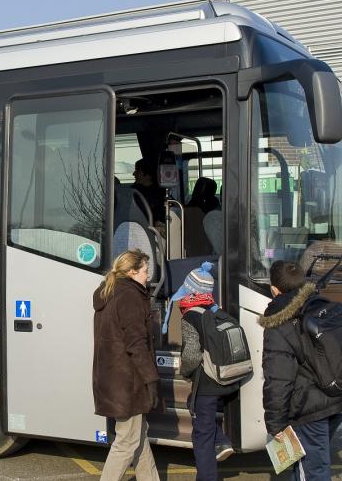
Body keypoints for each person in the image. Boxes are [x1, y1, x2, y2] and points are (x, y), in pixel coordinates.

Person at [259, 261, 342, 481]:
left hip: (310, 409)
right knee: (306, 464)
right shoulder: (328, 307)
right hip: (340, 399)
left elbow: (279, 379)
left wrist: (275, 423)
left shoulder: (280, 322)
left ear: (274, 289)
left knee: (312, 469)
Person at [93, 249, 161, 481]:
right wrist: (151, 379)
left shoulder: (111, 292)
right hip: (127, 381)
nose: (148, 277)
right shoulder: (130, 297)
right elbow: (136, 344)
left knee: (138, 437)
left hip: (113, 379)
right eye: (145, 271)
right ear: (132, 272)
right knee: (126, 442)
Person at [176, 262, 237, 480]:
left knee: (201, 435)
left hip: (206, 383)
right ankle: (221, 440)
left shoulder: (191, 315)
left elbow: (192, 355)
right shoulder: (217, 310)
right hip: (226, 378)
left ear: (191, 290)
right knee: (207, 420)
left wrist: (184, 371)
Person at [132, 158, 167, 224]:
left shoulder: (160, 194)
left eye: (138, 171)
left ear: (147, 174)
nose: (134, 174)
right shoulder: (132, 191)